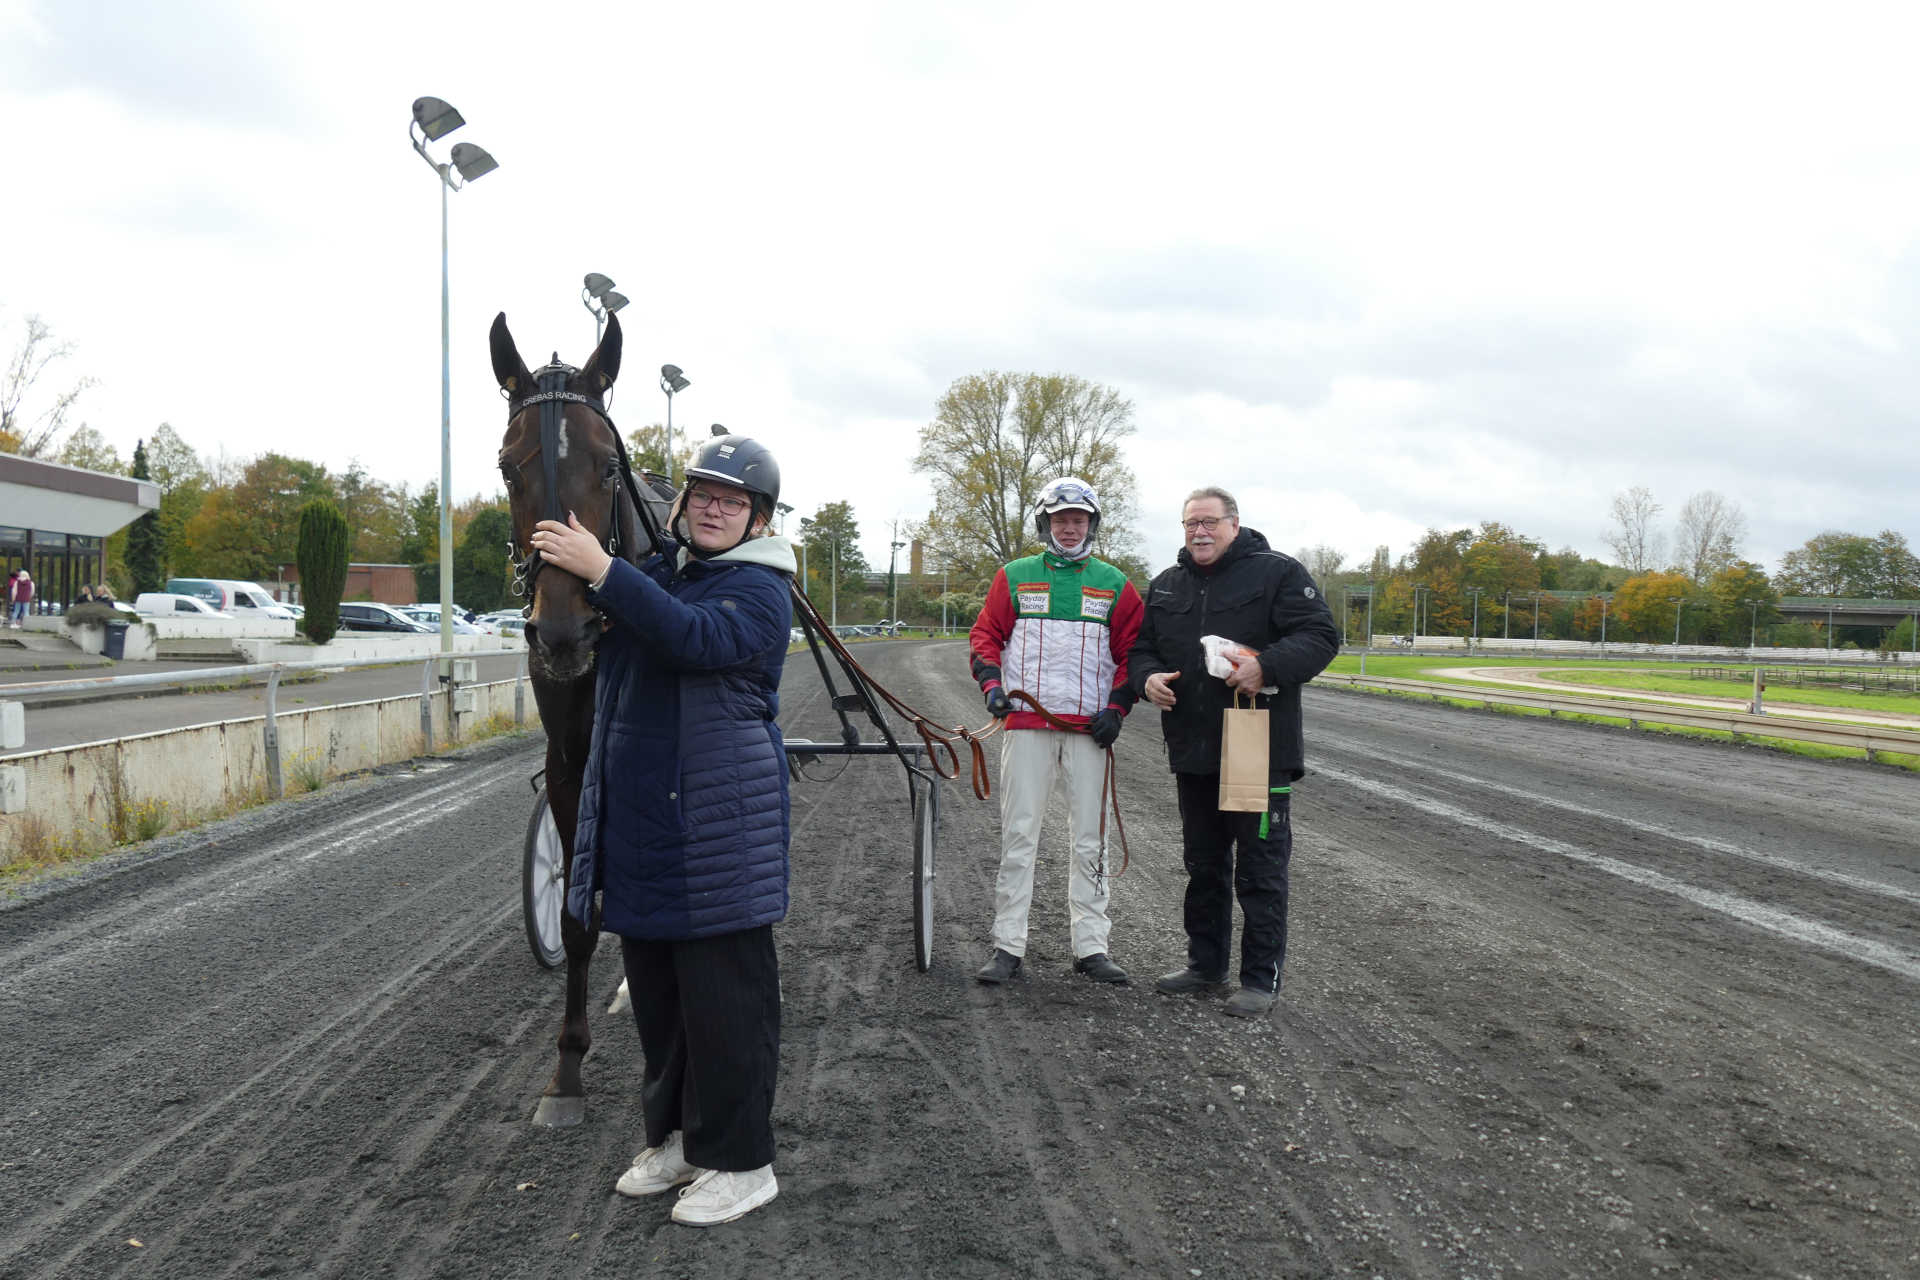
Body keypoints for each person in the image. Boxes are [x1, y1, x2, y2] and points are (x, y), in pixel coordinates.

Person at [528, 433, 795, 1227]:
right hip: (645, 827)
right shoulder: (664, 575)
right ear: (679, 504)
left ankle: (744, 1164)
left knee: (726, 1010)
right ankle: (681, 1141)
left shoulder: (758, 589)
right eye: (702, 494)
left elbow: (692, 639)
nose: (713, 509)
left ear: (758, 520)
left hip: (717, 834)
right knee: (661, 1006)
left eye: (733, 501)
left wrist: (604, 571)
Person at [1128, 486, 1340, 1018]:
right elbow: (1142, 649)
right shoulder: (1166, 584)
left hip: (1258, 749)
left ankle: (1260, 980)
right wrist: (1146, 678)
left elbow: (1320, 635)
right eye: (1190, 524)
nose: (1199, 532)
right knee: (1203, 865)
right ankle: (1205, 966)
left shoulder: (1277, 573)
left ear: (1234, 524)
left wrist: (1267, 666)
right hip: (1193, 751)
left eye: (1209, 522)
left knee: (1260, 871)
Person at [968, 477, 1145, 986]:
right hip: (1027, 727)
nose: (1070, 528)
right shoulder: (1015, 575)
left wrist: (1118, 707)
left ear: (1091, 524)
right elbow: (985, 635)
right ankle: (1008, 945)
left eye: (1078, 520)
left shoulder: (1114, 582)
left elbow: (1133, 653)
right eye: (1060, 520)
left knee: (1091, 839)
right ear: (1045, 524)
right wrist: (992, 686)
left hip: (1090, 732)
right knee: (1019, 835)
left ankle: (1091, 947)